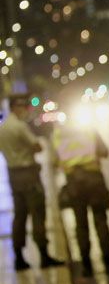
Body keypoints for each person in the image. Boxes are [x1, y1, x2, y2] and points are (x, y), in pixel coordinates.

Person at [52, 121, 109, 277]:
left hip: (73, 185)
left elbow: (54, 162)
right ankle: (108, 262)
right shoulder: (88, 129)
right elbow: (104, 152)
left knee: (81, 225)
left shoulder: (58, 134)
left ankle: (86, 267)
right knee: (100, 221)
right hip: (94, 182)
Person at [0, 94, 64, 270]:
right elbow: (37, 146)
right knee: (37, 213)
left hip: (13, 175)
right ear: (16, 107)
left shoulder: (3, 127)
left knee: (19, 216)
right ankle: (44, 255)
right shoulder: (19, 127)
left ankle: (18, 258)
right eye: (24, 107)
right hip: (28, 174)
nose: (26, 111)